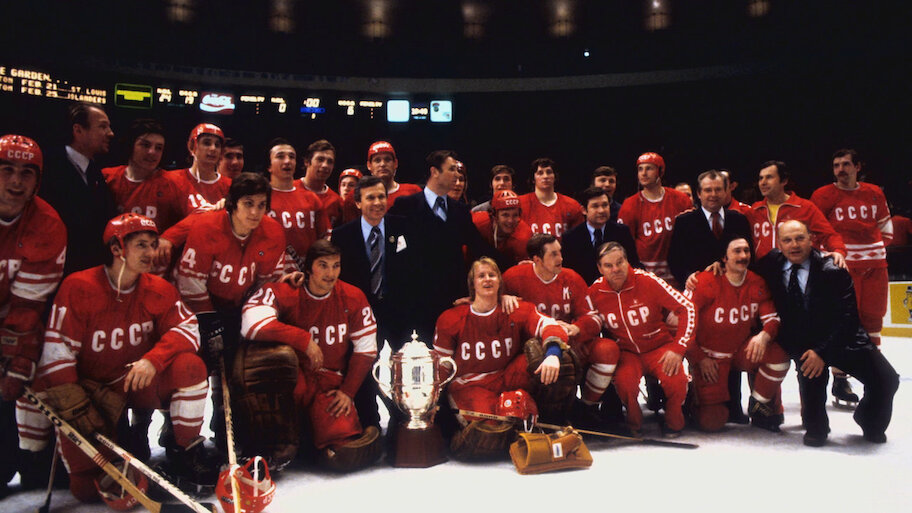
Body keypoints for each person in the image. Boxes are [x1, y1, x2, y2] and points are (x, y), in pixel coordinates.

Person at [17, 213, 211, 502]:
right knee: (87, 490)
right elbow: (57, 351)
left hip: (133, 383)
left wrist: (153, 359)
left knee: (190, 367)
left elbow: (188, 329)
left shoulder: (159, 288)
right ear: (117, 248)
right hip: (90, 396)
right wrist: (75, 408)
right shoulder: (79, 287)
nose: (151, 253)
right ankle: (40, 456)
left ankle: (186, 452)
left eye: (153, 244)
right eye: (141, 245)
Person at [239, 240, 381, 471]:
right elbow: (251, 325)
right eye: (323, 265)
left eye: (336, 266)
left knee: (343, 453)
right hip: (292, 383)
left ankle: (313, 445)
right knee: (278, 372)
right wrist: (303, 340)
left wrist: (347, 392)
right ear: (308, 268)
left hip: (329, 384)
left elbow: (366, 349)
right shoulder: (286, 292)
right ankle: (282, 443)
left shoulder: (352, 296)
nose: (330, 273)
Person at [754, 220, 898, 446]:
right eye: (787, 240)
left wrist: (822, 352)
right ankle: (816, 424)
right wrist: (714, 268)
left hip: (844, 339)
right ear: (779, 244)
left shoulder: (833, 269)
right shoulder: (771, 263)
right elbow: (740, 270)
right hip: (804, 344)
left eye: (800, 238)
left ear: (811, 239)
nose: (794, 245)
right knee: (815, 435)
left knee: (887, 380)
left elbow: (848, 319)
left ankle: (868, 419)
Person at [175, 172, 286, 451]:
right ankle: (178, 438)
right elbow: (189, 282)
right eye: (248, 204)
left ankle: (228, 430)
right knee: (197, 367)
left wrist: (248, 316)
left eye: (261, 205)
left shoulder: (272, 232)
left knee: (238, 369)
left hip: (240, 306)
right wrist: (210, 322)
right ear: (232, 204)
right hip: (199, 306)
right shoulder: (206, 227)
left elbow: (267, 284)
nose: (255, 212)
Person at [433, 257, 571, 459]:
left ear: (499, 281)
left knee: (551, 360)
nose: (487, 279)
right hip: (470, 384)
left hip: (506, 376)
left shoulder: (515, 309)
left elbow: (551, 326)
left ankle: (554, 417)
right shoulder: (452, 318)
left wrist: (553, 355)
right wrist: (433, 404)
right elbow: (442, 366)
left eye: (492, 275)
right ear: (472, 284)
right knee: (491, 430)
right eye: (481, 276)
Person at [0, 136, 67, 493]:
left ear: (38, 181)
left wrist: (18, 355)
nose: (16, 181)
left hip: (14, 318)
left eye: (26, 172)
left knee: (22, 375)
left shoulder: (47, 224)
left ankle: (29, 458)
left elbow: (27, 307)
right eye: (6, 170)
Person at [578, 242, 695, 436]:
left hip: (659, 347)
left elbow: (687, 307)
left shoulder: (647, 280)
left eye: (620, 262)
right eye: (608, 265)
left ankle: (674, 421)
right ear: (600, 268)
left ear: (627, 261)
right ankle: (634, 423)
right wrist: (582, 341)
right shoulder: (595, 292)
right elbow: (585, 320)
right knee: (625, 383)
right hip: (627, 353)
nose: (616, 269)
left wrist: (677, 349)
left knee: (677, 381)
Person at [503, 234, 619, 428]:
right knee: (524, 368)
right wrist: (502, 297)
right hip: (530, 348)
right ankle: (537, 413)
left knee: (607, 350)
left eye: (560, 252)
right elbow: (488, 302)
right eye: (553, 254)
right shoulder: (514, 277)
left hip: (569, 343)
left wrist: (577, 328)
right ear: (537, 259)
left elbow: (594, 317)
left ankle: (587, 408)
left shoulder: (571, 278)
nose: (561, 258)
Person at [331, 175, 416, 431]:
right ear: (358, 203)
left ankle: (406, 421)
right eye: (370, 198)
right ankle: (371, 425)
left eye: (381, 196)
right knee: (364, 369)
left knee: (407, 368)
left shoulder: (404, 226)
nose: (378, 202)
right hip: (363, 315)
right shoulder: (342, 235)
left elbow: (417, 269)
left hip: (400, 313)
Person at [388, 150, 498, 342]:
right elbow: (390, 253)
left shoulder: (460, 211)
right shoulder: (405, 206)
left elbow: (480, 248)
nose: (456, 174)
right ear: (434, 172)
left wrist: (518, 264)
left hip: (452, 302)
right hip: (415, 304)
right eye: (451, 169)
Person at [683, 236, 789, 432]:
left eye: (746, 251)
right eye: (737, 251)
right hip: (711, 358)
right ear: (724, 258)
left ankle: (759, 403)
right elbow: (683, 326)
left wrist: (764, 336)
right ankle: (692, 396)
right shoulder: (704, 281)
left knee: (779, 355)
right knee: (712, 421)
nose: (743, 256)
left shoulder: (757, 282)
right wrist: (699, 358)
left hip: (741, 350)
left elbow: (772, 319)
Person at [809, 149, 892, 349]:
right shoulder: (822, 195)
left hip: (875, 266)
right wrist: (826, 257)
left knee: (874, 316)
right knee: (841, 315)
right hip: (842, 265)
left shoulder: (874, 192)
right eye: (836, 165)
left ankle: (873, 360)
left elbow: (886, 229)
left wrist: (874, 249)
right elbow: (814, 232)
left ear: (858, 167)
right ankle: (841, 366)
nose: (840, 169)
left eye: (846, 164)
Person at [38, 102, 117, 277]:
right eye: (103, 126)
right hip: (51, 272)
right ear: (78, 130)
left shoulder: (96, 172)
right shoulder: (46, 167)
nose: (110, 133)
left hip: (86, 274)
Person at [617, 152, 693, 287]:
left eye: (649, 168)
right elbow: (625, 245)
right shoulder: (629, 205)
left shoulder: (681, 199)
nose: (643, 173)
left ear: (660, 171)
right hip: (646, 273)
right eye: (640, 169)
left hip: (678, 273)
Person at [668, 170, 753, 289]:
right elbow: (675, 259)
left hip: (735, 287)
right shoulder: (684, 222)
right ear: (699, 193)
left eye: (718, 190)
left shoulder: (739, 220)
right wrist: (687, 277)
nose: (713, 194)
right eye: (708, 190)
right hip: (698, 288)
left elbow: (750, 255)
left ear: (726, 192)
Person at [101, 119, 188, 234]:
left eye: (158, 148)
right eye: (145, 145)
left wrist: (169, 239)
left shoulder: (174, 182)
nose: (152, 152)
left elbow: (194, 217)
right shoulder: (107, 177)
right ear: (131, 145)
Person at [751, 160, 846, 263]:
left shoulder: (805, 207)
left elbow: (829, 235)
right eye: (761, 178)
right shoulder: (754, 210)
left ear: (784, 181)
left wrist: (838, 251)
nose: (763, 182)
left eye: (769, 177)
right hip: (763, 269)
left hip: (798, 268)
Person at [265, 138, 328, 271]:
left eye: (291, 157)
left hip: (306, 272)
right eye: (280, 156)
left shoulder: (312, 199)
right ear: (269, 166)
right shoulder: (260, 199)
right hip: (269, 273)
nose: (287, 161)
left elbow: (325, 238)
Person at [562, 187, 640, 286]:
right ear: (584, 210)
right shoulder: (571, 238)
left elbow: (634, 264)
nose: (601, 210)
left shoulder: (622, 232)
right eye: (595, 206)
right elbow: (568, 274)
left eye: (605, 205)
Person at [342, 141, 422, 224]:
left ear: (395, 163)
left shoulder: (413, 192)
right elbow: (351, 228)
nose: (383, 164)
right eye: (377, 160)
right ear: (369, 165)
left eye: (387, 159)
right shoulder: (354, 197)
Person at [168, 123, 231, 212]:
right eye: (207, 143)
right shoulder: (172, 180)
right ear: (191, 146)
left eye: (217, 145)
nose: (213, 148)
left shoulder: (230, 186)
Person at [517, 157, 584, 240]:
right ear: (533, 179)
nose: (545, 176)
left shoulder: (572, 205)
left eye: (549, 172)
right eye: (540, 173)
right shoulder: (520, 204)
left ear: (555, 177)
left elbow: (579, 238)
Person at [471, 190, 533, 266]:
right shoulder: (477, 223)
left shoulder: (523, 237)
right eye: (505, 215)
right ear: (494, 215)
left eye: (515, 215)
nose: (510, 220)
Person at [299, 139, 345, 229]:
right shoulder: (289, 190)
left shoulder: (337, 202)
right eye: (320, 159)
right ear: (307, 162)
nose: (325, 165)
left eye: (330, 162)